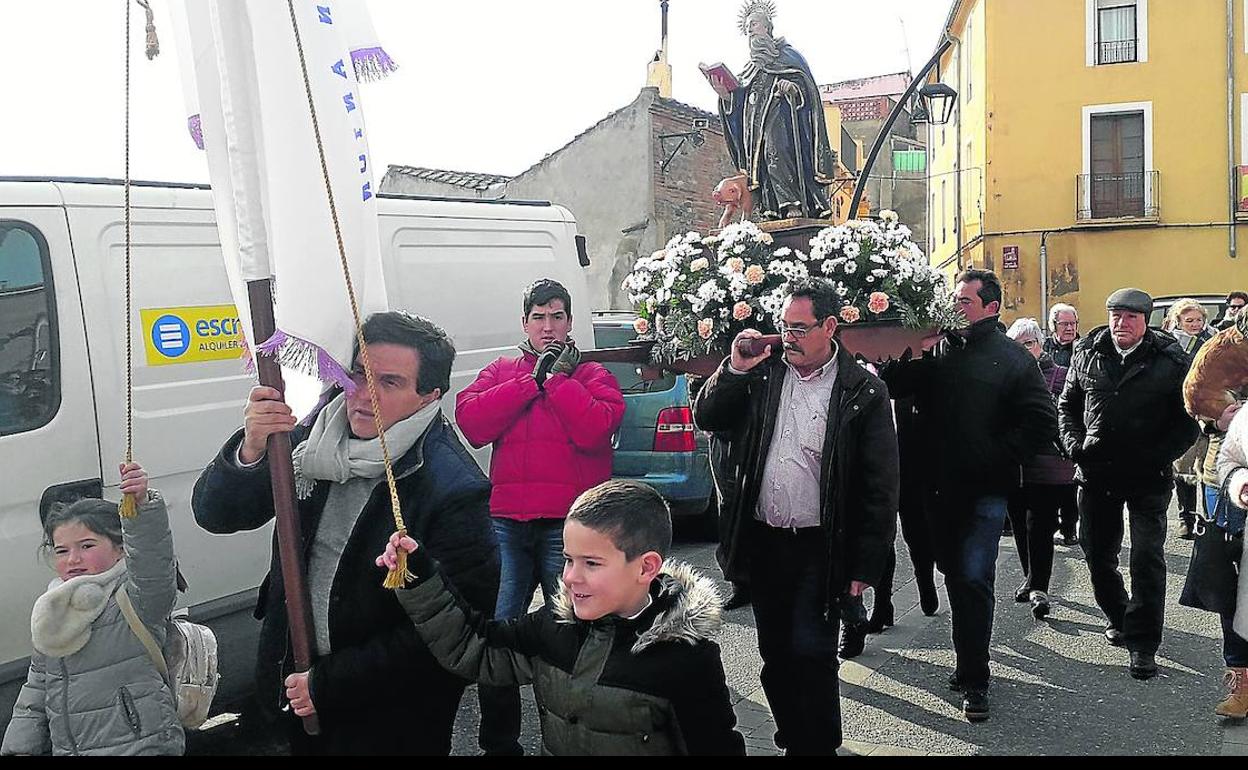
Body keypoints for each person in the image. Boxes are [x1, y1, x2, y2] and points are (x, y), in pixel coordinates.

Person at [192, 311, 500, 755]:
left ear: (429, 395)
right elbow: (215, 513)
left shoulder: (452, 488)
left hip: (390, 716)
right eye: (358, 373)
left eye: (389, 383)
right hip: (290, 687)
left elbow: (454, 631)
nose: (362, 394)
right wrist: (252, 447)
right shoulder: (314, 439)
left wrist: (329, 683)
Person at [377, 480, 747, 756]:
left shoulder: (686, 659)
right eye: (569, 559)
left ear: (646, 567)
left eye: (591, 563)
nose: (570, 576)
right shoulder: (554, 628)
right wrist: (419, 577)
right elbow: (474, 649)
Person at [692, 278, 898, 754]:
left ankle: (818, 746)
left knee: (812, 652)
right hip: (765, 541)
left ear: (830, 326)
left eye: (800, 328)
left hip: (822, 545)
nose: (789, 338)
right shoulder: (763, 376)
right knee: (776, 655)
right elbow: (709, 417)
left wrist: (866, 566)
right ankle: (793, 736)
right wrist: (735, 369)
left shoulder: (862, 390)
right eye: (784, 326)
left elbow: (880, 485)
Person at [455, 278, 625, 756]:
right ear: (525, 323)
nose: (548, 327)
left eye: (557, 317)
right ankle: (499, 744)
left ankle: (573, 741)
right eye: (538, 317)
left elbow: (595, 429)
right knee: (500, 635)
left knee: (572, 634)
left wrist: (557, 380)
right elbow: (472, 422)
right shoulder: (504, 371)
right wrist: (530, 381)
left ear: (570, 323)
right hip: (507, 524)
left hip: (568, 532)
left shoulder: (592, 376)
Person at [880, 269, 1057, 722]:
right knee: (955, 576)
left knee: (974, 581)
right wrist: (909, 353)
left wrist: (994, 458)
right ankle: (967, 664)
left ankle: (975, 680)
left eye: (965, 301)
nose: (956, 306)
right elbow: (895, 385)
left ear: (991, 307)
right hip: (936, 489)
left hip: (984, 492)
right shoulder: (938, 348)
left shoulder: (1014, 359)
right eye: (954, 299)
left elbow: (1041, 422)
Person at [1059, 288, 1200, 681]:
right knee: (1097, 553)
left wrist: (1158, 455)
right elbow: (1067, 405)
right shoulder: (1088, 352)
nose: (1121, 323)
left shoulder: (1171, 360)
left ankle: (1143, 644)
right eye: (1115, 315)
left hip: (1147, 477)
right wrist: (1073, 444)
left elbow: (1187, 420)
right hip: (1096, 472)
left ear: (1146, 321)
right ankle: (1120, 616)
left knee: (1146, 559)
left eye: (1130, 317)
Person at [3, 464, 184, 756]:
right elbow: (37, 685)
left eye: (87, 546)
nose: (73, 559)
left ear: (121, 548)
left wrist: (142, 508)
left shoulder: (135, 598)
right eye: (62, 550)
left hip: (141, 745)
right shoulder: (54, 608)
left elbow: (153, 562)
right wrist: (18, 746)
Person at [716, 3, 837, 220]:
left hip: (782, 121)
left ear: (767, 27)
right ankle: (772, 208)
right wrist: (726, 97)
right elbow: (740, 101)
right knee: (763, 162)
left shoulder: (788, 56)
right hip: (756, 128)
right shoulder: (750, 68)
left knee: (778, 155)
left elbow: (806, 88)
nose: (750, 30)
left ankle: (793, 204)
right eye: (747, 27)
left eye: (754, 24)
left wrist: (792, 89)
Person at [1004, 318, 1077, 620]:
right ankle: (1030, 578)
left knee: (1041, 525)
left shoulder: (1059, 376)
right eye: (1017, 345)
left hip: (1048, 465)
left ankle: (1040, 587)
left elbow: (1066, 417)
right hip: (1014, 464)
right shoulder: (1005, 378)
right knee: (1019, 523)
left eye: (1029, 343)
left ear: (1040, 344)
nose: (1024, 350)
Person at [1180, 391, 1247, 718]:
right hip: (1228, 478)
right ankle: (1241, 686)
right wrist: (1214, 419)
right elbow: (1196, 396)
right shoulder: (1227, 351)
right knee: (1230, 588)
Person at [1167, 299, 1216, 540]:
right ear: (1179, 322)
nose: (1195, 324)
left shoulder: (1215, 340)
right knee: (1184, 465)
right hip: (1182, 411)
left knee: (1210, 465)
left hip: (1211, 411)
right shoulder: (1171, 345)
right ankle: (1186, 516)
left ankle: (1210, 519)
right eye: (1189, 321)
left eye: (1198, 320)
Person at [1044, 305, 1081, 544]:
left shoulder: (1083, 348)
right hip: (1048, 418)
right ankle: (1050, 525)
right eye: (1064, 324)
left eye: (1073, 324)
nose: (1069, 329)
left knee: (1070, 479)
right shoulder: (1044, 347)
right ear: (1053, 326)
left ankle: (1069, 527)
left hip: (1073, 418)